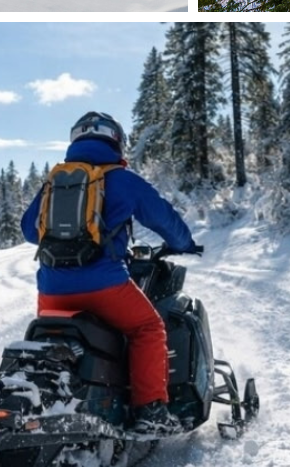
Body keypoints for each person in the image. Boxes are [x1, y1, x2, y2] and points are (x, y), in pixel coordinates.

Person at [21, 111, 198, 436]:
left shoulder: (55, 182)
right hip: (105, 286)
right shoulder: (121, 179)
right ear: (115, 140)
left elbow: (29, 231)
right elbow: (163, 217)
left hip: (52, 292)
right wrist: (185, 242)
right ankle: (151, 410)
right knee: (148, 328)